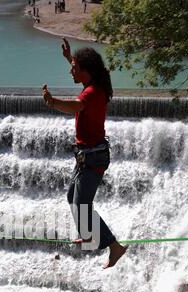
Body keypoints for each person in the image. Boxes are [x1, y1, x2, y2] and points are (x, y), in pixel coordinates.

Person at [42, 38, 127, 269]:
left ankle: (114, 247)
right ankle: (89, 236)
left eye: (74, 68)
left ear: (85, 71)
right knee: (73, 198)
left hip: (93, 157)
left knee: (82, 204)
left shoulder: (90, 94)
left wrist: (52, 102)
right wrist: (69, 57)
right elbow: (82, 69)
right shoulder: (93, 83)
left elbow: (75, 106)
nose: (71, 70)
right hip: (85, 156)